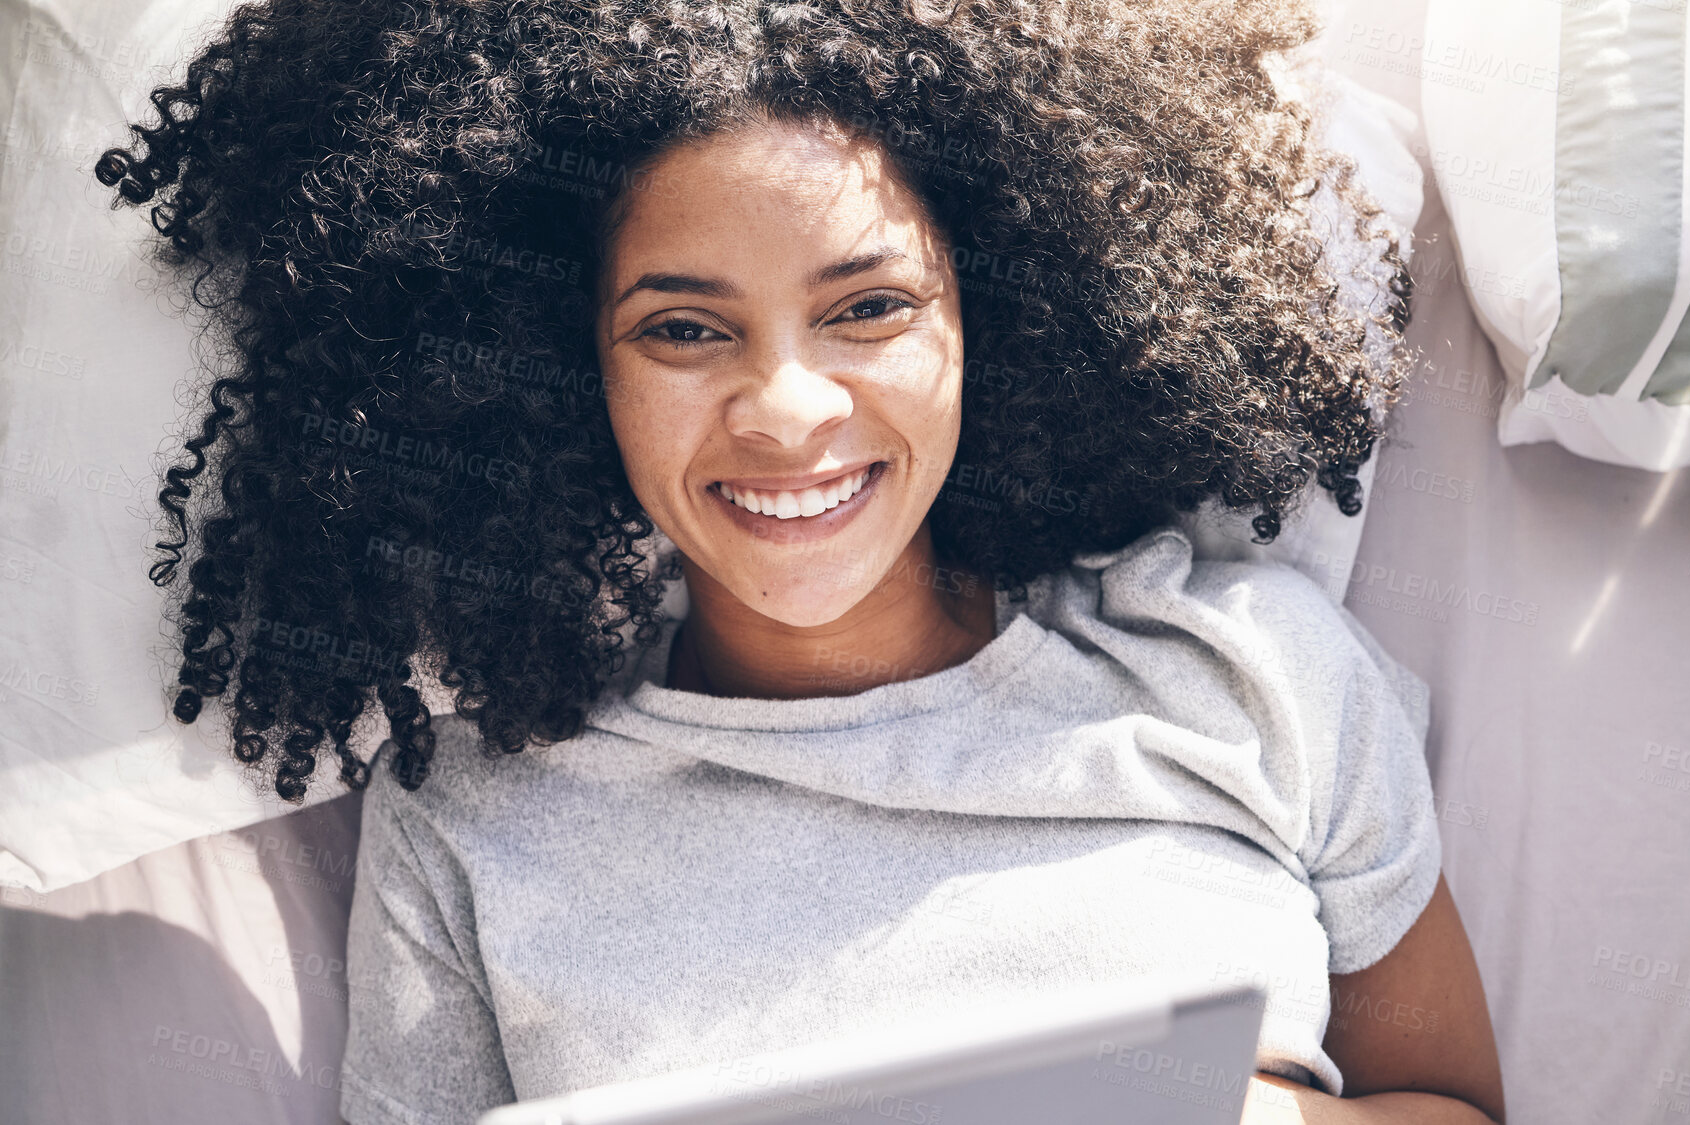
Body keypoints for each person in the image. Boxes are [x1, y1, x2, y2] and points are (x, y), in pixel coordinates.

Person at [95, 0, 1506, 1122]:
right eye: (683, 329)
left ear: (992, 314)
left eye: (869, 307)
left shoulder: (1249, 675)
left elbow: (1450, 1108)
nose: (786, 411)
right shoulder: (468, 814)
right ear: (556, 366)